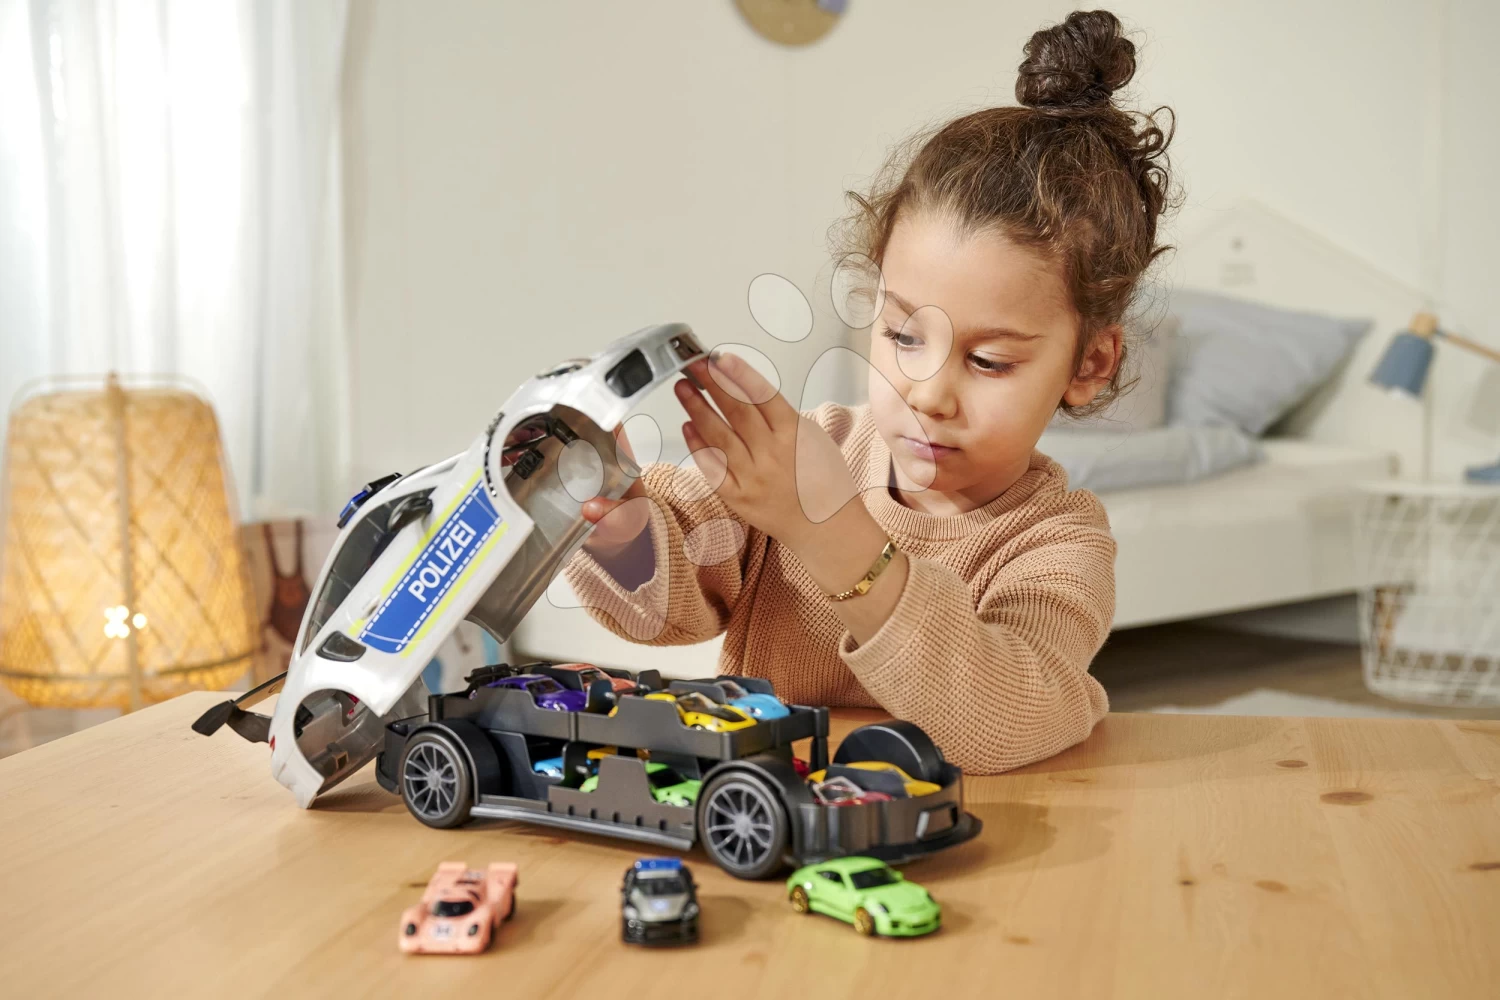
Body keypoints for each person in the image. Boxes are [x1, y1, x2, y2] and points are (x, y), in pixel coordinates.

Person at [566, 9, 1175, 773]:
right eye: (905, 337)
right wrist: (618, 524)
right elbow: (664, 603)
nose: (929, 394)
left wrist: (829, 534)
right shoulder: (818, 449)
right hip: (769, 813)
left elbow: (1009, 722)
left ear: (1089, 365)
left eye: (988, 361)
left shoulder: (1056, 544)